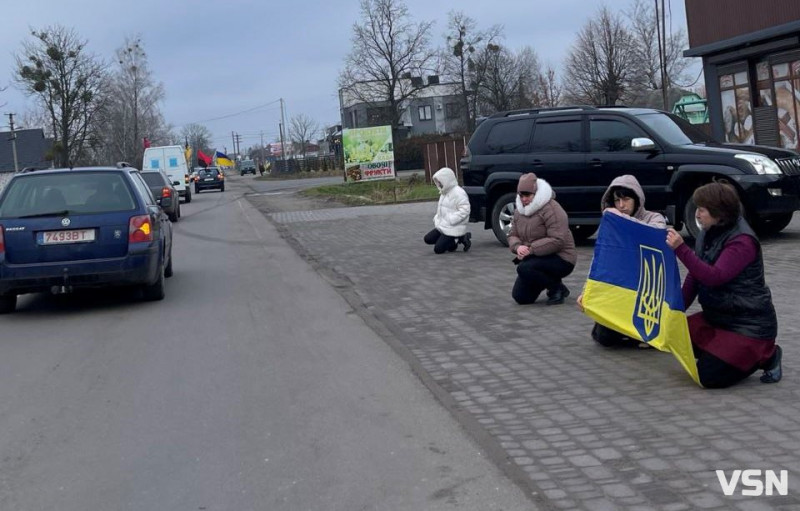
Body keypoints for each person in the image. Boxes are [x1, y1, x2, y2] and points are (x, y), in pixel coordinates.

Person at [665, 181, 782, 388]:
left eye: (702, 209)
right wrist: (675, 310)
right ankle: (724, 353)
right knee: (672, 335)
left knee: (707, 377)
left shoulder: (742, 241)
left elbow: (714, 277)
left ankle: (768, 355)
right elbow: (695, 276)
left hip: (748, 326)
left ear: (719, 213)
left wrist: (681, 250)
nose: (697, 214)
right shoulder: (707, 232)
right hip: (717, 318)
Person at [578, 175, 667, 347]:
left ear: (637, 199)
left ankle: (641, 335)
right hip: (622, 289)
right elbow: (601, 260)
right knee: (602, 336)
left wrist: (620, 219)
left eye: (626, 199)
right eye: (617, 201)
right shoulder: (612, 225)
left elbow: (653, 234)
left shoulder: (654, 218)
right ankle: (634, 337)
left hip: (647, 290)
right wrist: (586, 292)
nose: (621, 205)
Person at [508, 173, 576, 305]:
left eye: (527, 195)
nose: (523, 199)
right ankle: (557, 285)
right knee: (521, 298)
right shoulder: (519, 211)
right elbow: (512, 234)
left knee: (524, 268)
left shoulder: (552, 208)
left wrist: (531, 249)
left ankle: (555, 289)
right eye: (521, 195)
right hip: (535, 257)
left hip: (562, 257)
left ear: (536, 193)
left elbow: (557, 240)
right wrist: (517, 247)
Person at [423, 167, 472, 254]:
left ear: (446, 180)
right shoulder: (444, 192)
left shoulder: (459, 193)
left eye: (440, 181)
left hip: (454, 226)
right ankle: (450, 241)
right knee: (427, 239)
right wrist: (437, 218)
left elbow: (465, 210)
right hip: (444, 225)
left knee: (438, 249)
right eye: (438, 182)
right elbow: (442, 209)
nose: (439, 184)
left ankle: (459, 238)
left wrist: (451, 219)